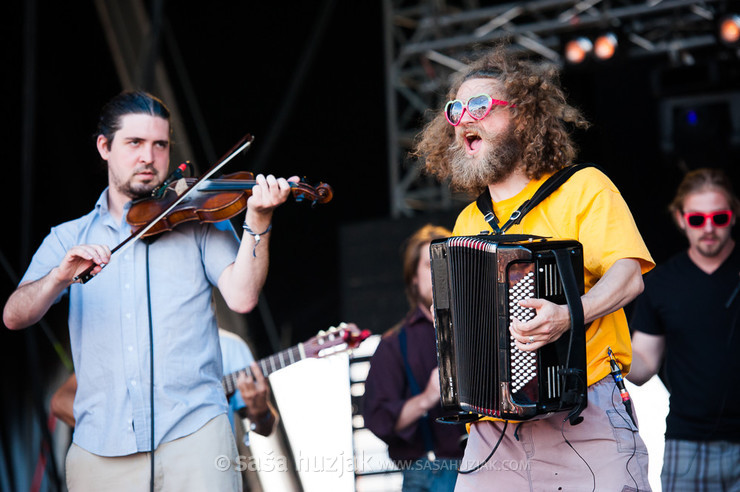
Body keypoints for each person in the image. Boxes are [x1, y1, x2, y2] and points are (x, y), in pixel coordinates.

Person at [3, 90, 296, 491]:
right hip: (99, 450)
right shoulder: (67, 238)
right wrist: (58, 276)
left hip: (195, 437)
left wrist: (258, 219)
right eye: (135, 143)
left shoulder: (198, 221)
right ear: (104, 147)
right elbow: (14, 316)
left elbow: (242, 296)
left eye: (160, 145)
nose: (149, 157)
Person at [414, 46, 655, 490]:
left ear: (523, 118)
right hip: (492, 431)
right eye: (455, 110)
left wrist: (568, 315)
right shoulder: (468, 221)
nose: (465, 118)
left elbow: (629, 276)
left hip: (584, 418)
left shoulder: (583, 187)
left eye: (480, 106)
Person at [628, 168, 740, 491]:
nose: (708, 228)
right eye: (696, 219)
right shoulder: (662, 283)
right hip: (686, 441)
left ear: (733, 216)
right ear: (680, 218)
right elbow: (643, 366)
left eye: (718, 218)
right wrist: (599, 343)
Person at [363, 224, 466, 492]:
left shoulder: (484, 327)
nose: (439, 273)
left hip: (498, 464)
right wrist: (428, 396)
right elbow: (378, 420)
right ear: (414, 279)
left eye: (446, 264)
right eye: (429, 266)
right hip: (432, 473)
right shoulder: (394, 344)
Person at [51, 328, 277, 438]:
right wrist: (125, 432)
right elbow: (61, 401)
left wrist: (260, 411)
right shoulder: (132, 345)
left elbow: (266, 428)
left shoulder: (229, 346)